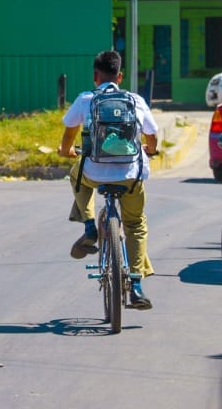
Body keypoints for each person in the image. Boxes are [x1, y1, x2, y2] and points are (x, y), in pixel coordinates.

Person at [59, 49, 159, 311]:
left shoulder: (86, 99)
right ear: (120, 76)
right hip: (130, 175)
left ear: (95, 76)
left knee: (76, 174)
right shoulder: (135, 100)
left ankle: (90, 224)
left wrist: (65, 150)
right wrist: (151, 149)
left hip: (95, 172)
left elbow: (69, 133)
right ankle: (136, 285)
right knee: (135, 224)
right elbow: (152, 135)